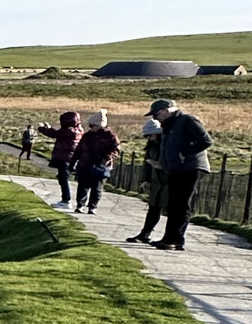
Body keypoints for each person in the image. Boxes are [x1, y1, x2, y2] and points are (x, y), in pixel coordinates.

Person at [154, 98, 213, 252]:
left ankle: (176, 240)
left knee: (181, 204)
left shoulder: (186, 120)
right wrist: (164, 163)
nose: (155, 118)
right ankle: (169, 238)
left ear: (167, 111)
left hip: (190, 168)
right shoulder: (169, 125)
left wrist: (184, 153)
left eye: (156, 114)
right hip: (176, 169)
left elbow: (206, 140)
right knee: (173, 205)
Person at [127, 101, 170, 244]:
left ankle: (169, 238)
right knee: (153, 210)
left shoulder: (166, 145)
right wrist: (145, 180)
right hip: (156, 182)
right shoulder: (151, 147)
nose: (148, 139)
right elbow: (147, 165)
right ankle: (145, 233)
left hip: (167, 181)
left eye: (150, 136)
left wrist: (162, 166)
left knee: (169, 211)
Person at [71, 110, 120, 214]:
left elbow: (115, 150)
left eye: (93, 125)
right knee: (83, 187)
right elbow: (79, 149)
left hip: (100, 166)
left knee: (97, 188)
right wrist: (73, 162)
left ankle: (92, 207)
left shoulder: (110, 136)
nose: (91, 128)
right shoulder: (87, 136)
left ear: (100, 125)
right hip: (85, 164)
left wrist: (106, 158)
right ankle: (80, 205)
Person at [37, 109, 83, 207]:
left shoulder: (68, 130)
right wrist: (49, 128)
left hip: (64, 156)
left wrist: (42, 129)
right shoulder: (79, 130)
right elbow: (58, 133)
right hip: (72, 157)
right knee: (64, 177)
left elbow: (54, 134)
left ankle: (66, 200)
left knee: (63, 179)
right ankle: (66, 200)